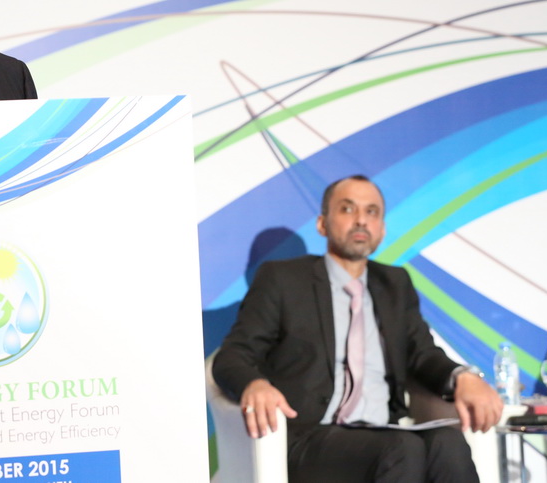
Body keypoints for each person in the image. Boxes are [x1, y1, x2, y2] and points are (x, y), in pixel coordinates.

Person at [212, 175, 503, 482]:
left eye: (372, 211)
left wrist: (462, 377)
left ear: (382, 229)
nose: (361, 220)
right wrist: (254, 384)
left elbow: (422, 355)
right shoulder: (283, 279)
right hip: (310, 437)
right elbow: (232, 356)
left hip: (384, 430)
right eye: (348, 209)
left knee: (448, 443)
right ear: (322, 224)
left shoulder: (395, 284)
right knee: (402, 448)